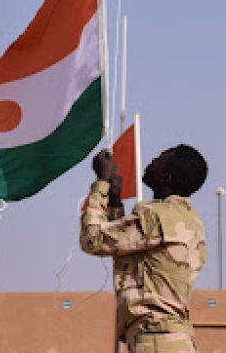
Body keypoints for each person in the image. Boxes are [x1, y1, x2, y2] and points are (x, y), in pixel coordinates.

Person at [79, 145, 208, 353]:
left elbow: (92, 239)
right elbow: (128, 249)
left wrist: (101, 183)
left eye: (159, 159)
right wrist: (114, 202)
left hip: (154, 341)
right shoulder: (190, 219)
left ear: (166, 177)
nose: (152, 161)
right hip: (170, 340)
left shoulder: (154, 216)